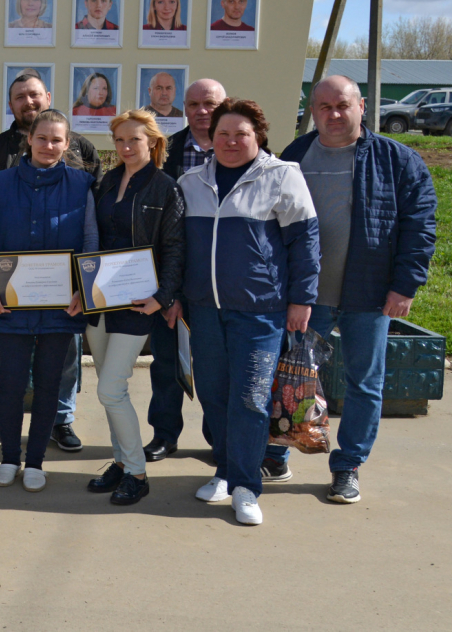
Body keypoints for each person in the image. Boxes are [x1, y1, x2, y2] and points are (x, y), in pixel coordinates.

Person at [265, 76, 436, 503]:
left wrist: (404, 285)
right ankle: (279, 455)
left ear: (362, 106)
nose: (334, 114)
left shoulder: (397, 160)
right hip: (306, 297)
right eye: (324, 107)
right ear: (313, 111)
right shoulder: (295, 155)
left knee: (365, 383)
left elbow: (421, 227)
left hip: (370, 295)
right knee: (293, 379)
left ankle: (348, 466)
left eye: (342, 105)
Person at [180, 99, 319, 526]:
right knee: (214, 395)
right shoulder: (190, 181)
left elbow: (305, 242)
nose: (230, 141)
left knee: (251, 399)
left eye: (240, 134)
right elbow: (179, 248)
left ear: (257, 135)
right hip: (204, 311)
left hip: (260, 313)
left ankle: (245, 486)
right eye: (223, 133)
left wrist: (302, 299)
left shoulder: (281, 176)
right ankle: (223, 470)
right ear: (211, 136)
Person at [0, 71, 97, 454]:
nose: (48, 144)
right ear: (28, 139)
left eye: (56, 139)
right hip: (10, 295)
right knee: (3, 369)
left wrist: (85, 290)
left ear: (67, 142)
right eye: (41, 139)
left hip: (63, 296)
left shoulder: (83, 173)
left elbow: (91, 236)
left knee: (59, 369)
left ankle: (61, 421)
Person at [84, 111, 185, 505]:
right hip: (99, 299)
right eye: (120, 140)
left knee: (112, 388)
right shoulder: (108, 181)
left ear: (153, 143)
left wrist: (163, 296)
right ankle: (122, 463)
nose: (126, 147)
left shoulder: (165, 189)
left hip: (138, 302)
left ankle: (138, 473)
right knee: (108, 391)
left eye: (135, 140)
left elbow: (175, 248)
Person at [149, 77, 226, 460]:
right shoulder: (166, 152)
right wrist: (168, 290)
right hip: (172, 280)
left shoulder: (247, 150)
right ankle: (164, 434)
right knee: (167, 363)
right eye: (194, 104)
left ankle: (218, 437)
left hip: (221, 283)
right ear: (184, 108)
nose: (202, 112)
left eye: (210, 104)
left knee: (216, 367)